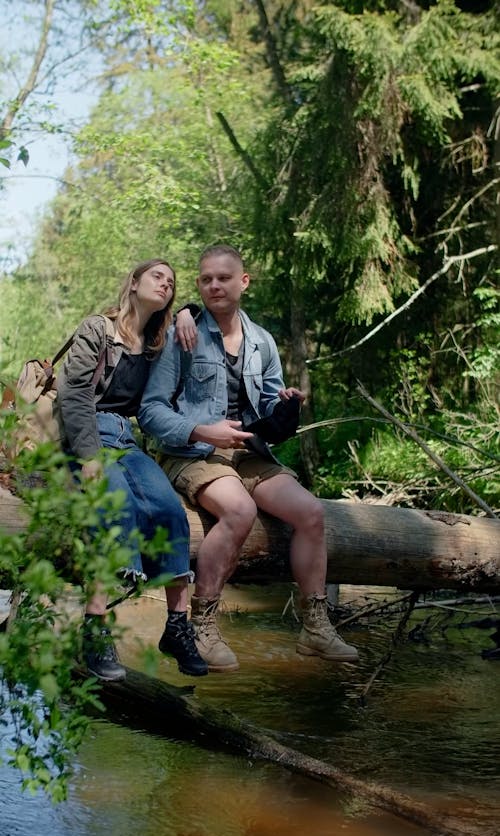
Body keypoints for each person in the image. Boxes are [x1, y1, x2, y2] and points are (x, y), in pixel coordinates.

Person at [138, 244, 359, 672]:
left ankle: (315, 628)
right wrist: (201, 429)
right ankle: (201, 624)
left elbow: (272, 421)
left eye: (223, 277)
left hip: (249, 453)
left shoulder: (263, 342)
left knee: (311, 512)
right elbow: (150, 411)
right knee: (238, 510)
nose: (214, 285)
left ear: (243, 282)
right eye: (205, 279)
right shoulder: (182, 335)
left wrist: (289, 408)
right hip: (192, 451)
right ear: (198, 285)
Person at [57, 258, 208, 681]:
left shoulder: (157, 344)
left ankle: (178, 626)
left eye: (171, 283)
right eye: (157, 276)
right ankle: (95, 625)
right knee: (116, 504)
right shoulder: (97, 329)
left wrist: (184, 312)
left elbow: (199, 314)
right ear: (135, 282)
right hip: (84, 433)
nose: (165, 283)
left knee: (168, 510)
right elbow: (73, 397)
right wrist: (87, 457)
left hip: (126, 440)